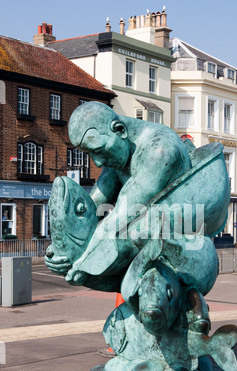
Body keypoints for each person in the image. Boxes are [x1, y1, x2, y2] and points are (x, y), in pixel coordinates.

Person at [46, 101, 192, 281]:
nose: (97, 163)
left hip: (176, 252)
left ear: (120, 130)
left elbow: (123, 211)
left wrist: (83, 262)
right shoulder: (117, 154)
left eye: (99, 151)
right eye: (90, 155)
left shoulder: (160, 150)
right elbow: (92, 208)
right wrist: (60, 247)